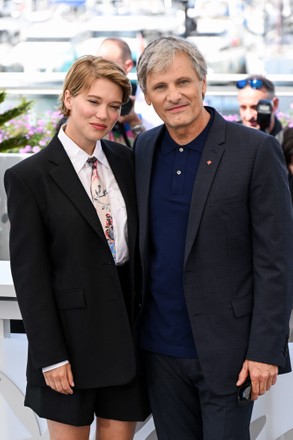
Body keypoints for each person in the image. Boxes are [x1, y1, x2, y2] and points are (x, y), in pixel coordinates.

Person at [133, 36, 293, 440]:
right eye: (160, 87)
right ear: (148, 98)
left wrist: (265, 350)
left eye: (183, 82)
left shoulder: (254, 151)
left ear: (203, 84)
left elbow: (277, 258)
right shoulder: (144, 147)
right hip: (159, 350)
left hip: (230, 352)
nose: (174, 95)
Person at [4, 55, 149, 440]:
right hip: (69, 343)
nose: (104, 114)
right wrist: (52, 356)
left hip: (126, 340)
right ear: (69, 98)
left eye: (115, 106)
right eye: (93, 101)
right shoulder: (28, 177)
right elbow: (31, 277)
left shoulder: (126, 161)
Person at [96, 37, 162, 146]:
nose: (102, 70)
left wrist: (134, 122)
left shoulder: (147, 99)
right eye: (97, 63)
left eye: (109, 65)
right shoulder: (87, 95)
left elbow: (154, 151)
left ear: (128, 66)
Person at [236, 74, 284, 143]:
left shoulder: (288, 140)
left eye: (255, 107)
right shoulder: (229, 137)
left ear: (275, 104)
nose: (248, 116)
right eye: (243, 107)